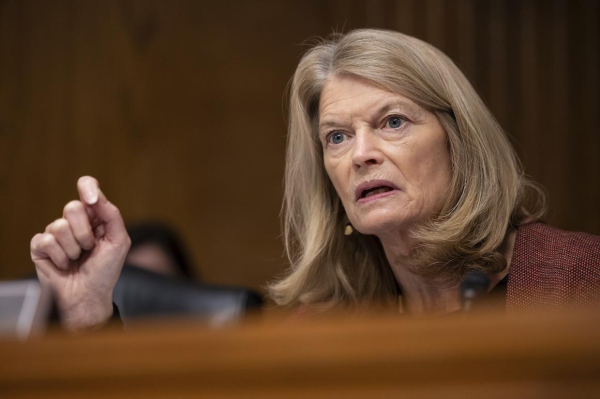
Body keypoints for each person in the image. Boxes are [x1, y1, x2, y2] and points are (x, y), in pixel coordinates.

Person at [30, 29, 600, 330]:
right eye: (337, 137)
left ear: (460, 141)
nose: (361, 154)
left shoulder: (579, 280)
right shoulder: (319, 328)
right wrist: (89, 318)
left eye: (392, 122)